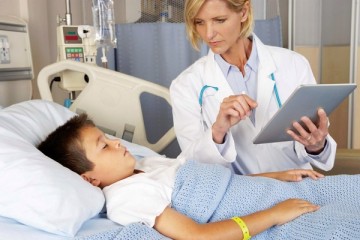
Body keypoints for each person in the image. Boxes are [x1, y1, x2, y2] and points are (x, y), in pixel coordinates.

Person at [38, 113, 360, 240]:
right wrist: (275, 214)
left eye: (110, 137)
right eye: (104, 146)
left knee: (346, 188)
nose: (118, 143)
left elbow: (222, 184)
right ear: (90, 179)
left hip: (265, 191)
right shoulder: (126, 196)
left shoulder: (145, 165)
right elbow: (198, 236)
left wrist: (274, 176)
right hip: (264, 219)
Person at [170, 0, 337, 175]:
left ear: (243, 12)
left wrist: (316, 146)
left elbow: (318, 151)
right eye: (199, 22)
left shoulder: (294, 64)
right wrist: (218, 131)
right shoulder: (186, 85)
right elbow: (193, 168)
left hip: (299, 185)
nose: (209, 34)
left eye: (219, 20)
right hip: (240, 195)